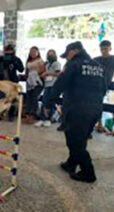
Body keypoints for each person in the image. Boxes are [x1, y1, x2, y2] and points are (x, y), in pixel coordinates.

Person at [48, 41, 107, 183]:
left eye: (67, 55)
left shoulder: (73, 65)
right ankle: (71, 163)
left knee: (75, 141)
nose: (66, 58)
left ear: (74, 51)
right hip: (94, 108)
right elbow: (104, 88)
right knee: (78, 138)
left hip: (77, 108)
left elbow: (61, 83)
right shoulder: (99, 67)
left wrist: (50, 100)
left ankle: (88, 173)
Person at [35, 49, 61, 127]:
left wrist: (47, 73)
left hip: (53, 85)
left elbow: (58, 73)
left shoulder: (56, 63)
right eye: (48, 54)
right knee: (44, 102)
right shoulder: (47, 64)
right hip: (47, 84)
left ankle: (48, 119)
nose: (50, 56)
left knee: (49, 102)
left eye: (51, 54)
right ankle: (43, 119)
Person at [94, 40, 114, 132]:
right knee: (95, 104)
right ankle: (98, 123)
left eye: (105, 49)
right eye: (102, 49)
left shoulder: (113, 59)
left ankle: (100, 123)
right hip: (94, 84)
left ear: (110, 48)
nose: (103, 51)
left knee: (99, 104)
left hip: (105, 85)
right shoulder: (96, 59)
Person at [25, 46, 45, 124]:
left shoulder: (40, 61)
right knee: (29, 97)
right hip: (29, 81)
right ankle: (27, 114)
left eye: (34, 51)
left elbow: (43, 70)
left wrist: (35, 75)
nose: (32, 53)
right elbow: (26, 70)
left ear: (37, 52)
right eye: (31, 51)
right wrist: (27, 77)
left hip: (37, 81)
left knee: (34, 97)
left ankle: (33, 114)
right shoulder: (28, 61)